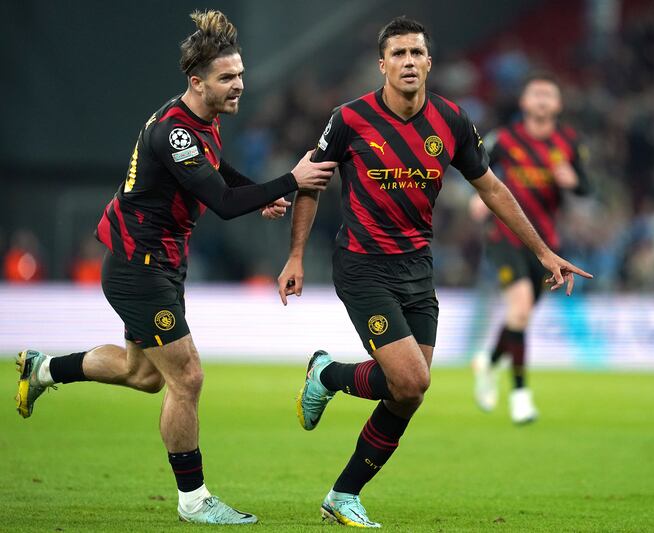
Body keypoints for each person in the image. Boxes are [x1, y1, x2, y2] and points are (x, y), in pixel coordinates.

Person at [14, 9, 335, 525]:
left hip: (154, 263)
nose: (239, 86)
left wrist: (264, 191)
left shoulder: (198, 120)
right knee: (188, 377)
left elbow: (220, 174)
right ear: (197, 82)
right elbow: (224, 203)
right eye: (228, 78)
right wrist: (289, 182)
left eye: (241, 74)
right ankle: (193, 499)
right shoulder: (175, 134)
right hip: (139, 269)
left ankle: (43, 369)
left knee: (143, 375)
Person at [277, 17, 592, 528]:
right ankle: (327, 379)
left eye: (415, 53)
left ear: (429, 63)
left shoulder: (452, 121)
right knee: (410, 378)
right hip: (362, 265)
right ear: (382, 65)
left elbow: (492, 189)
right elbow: (310, 181)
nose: (407, 61)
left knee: (411, 392)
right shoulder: (350, 118)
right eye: (397, 53)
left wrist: (543, 252)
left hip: (418, 268)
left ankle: (341, 481)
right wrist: (295, 255)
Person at [471, 73, 591, 424]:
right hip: (505, 237)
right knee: (520, 309)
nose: (541, 99)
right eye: (534, 94)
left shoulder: (569, 142)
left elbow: (586, 186)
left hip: (546, 246)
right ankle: (521, 396)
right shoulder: (505, 139)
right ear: (524, 103)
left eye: (548, 94)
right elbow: (473, 167)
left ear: (557, 105)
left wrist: (574, 182)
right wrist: (478, 199)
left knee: (519, 318)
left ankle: (489, 363)